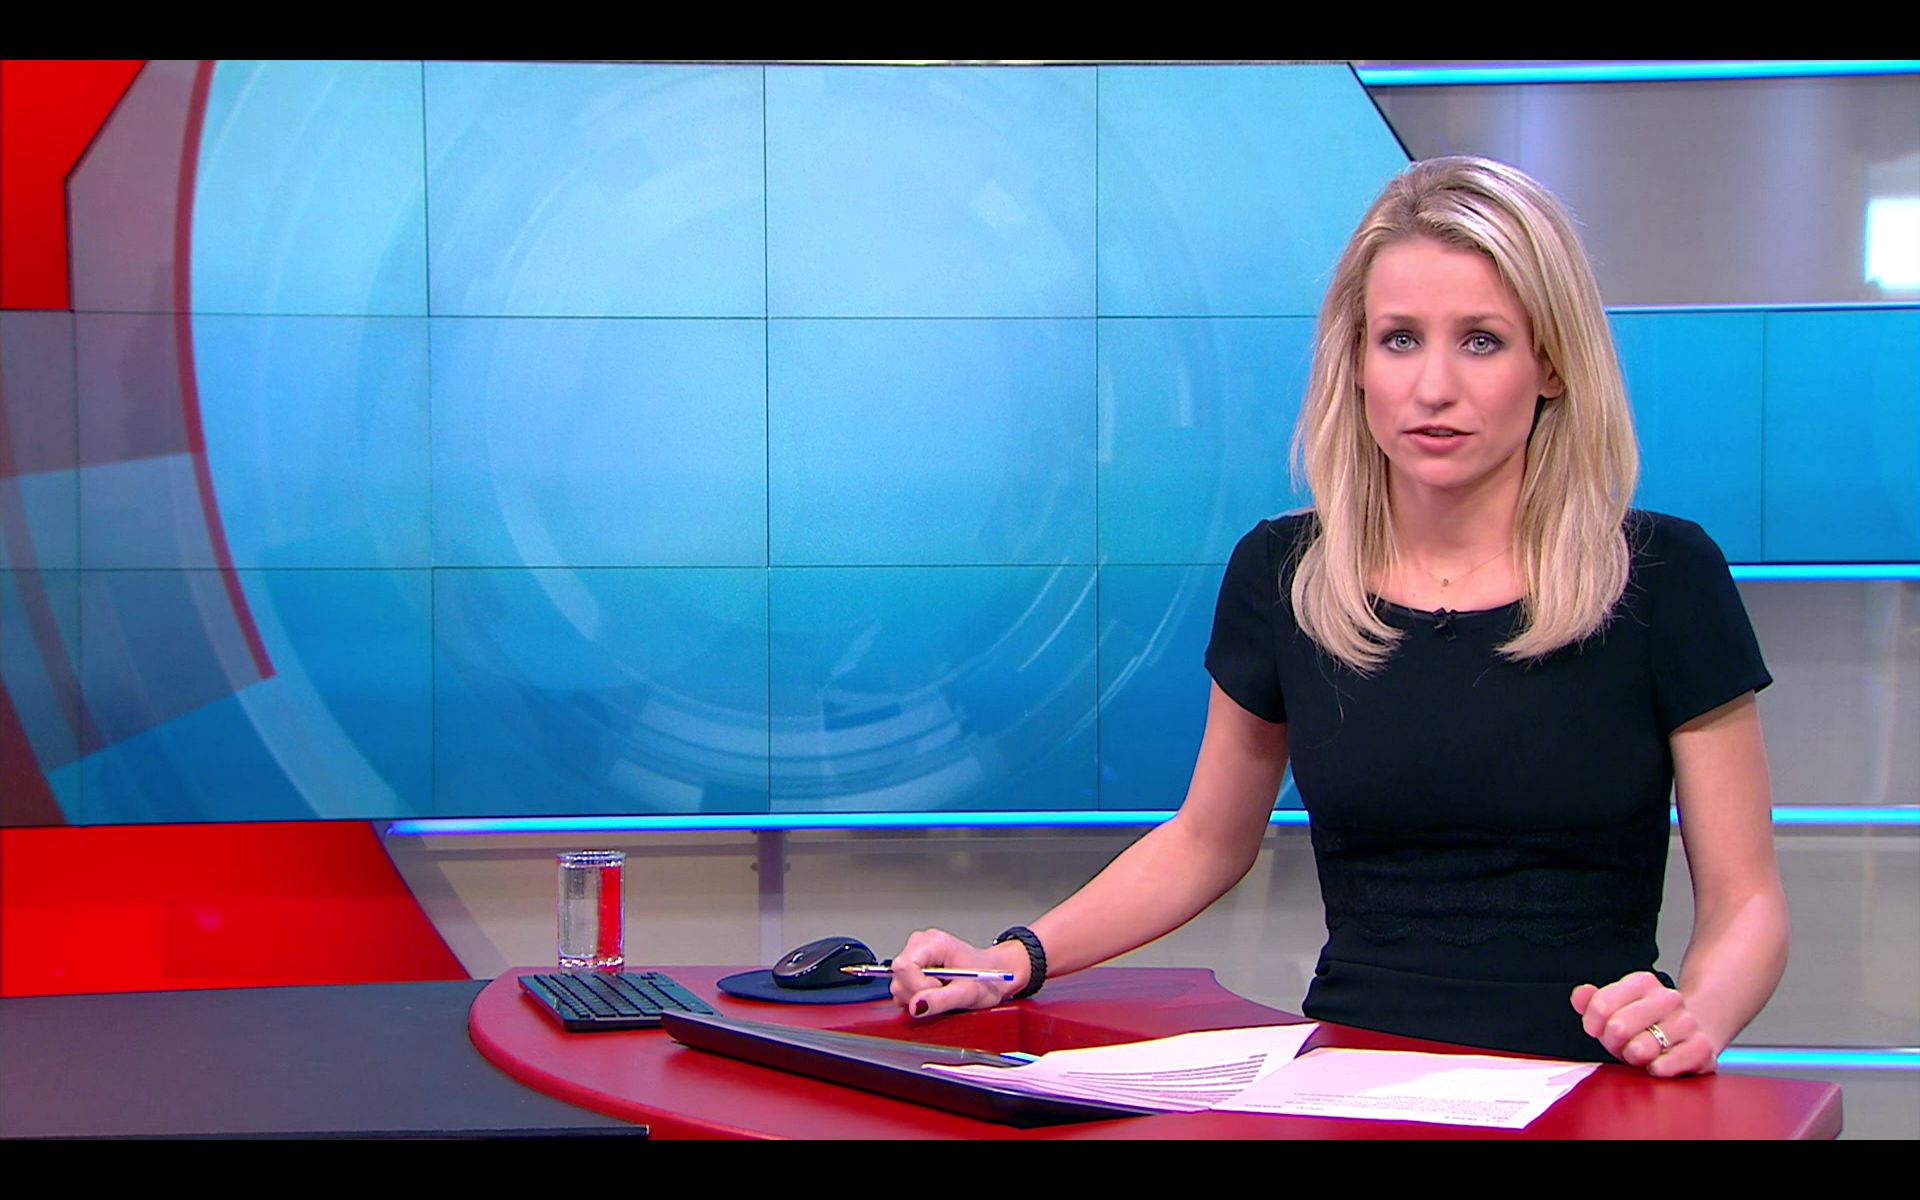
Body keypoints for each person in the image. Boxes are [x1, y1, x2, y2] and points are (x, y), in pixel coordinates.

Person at [889, 156, 1788, 1076]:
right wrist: (1013, 960)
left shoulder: (1664, 577)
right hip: (1350, 1080)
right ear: (1355, 362)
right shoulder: (1284, 575)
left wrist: (1691, 1018)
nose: (1433, 387)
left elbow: (1747, 905)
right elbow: (1206, 840)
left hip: (1590, 1083)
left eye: (1482, 341)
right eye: (1399, 340)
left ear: (1552, 362)